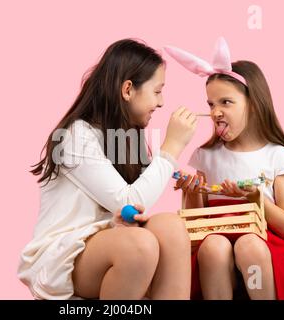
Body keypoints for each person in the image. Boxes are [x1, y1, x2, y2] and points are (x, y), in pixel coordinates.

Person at [18, 39, 198, 300]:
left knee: (171, 226)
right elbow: (130, 199)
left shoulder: (126, 139)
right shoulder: (75, 136)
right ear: (128, 90)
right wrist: (171, 149)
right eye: (157, 91)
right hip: (64, 255)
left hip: (106, 240)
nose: (161, 103)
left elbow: (129, 206)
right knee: (140, 246)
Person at [167, 37, 284, 300]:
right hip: (215, 239)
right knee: (213, 246)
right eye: (210, 104)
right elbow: (196, 225)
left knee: (249, 245)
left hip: (264, 244)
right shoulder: (205, 156)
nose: (215, 112)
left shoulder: (280, 157)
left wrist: (255, 199)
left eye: (226, 102)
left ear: (253, 104)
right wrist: (193, 192)